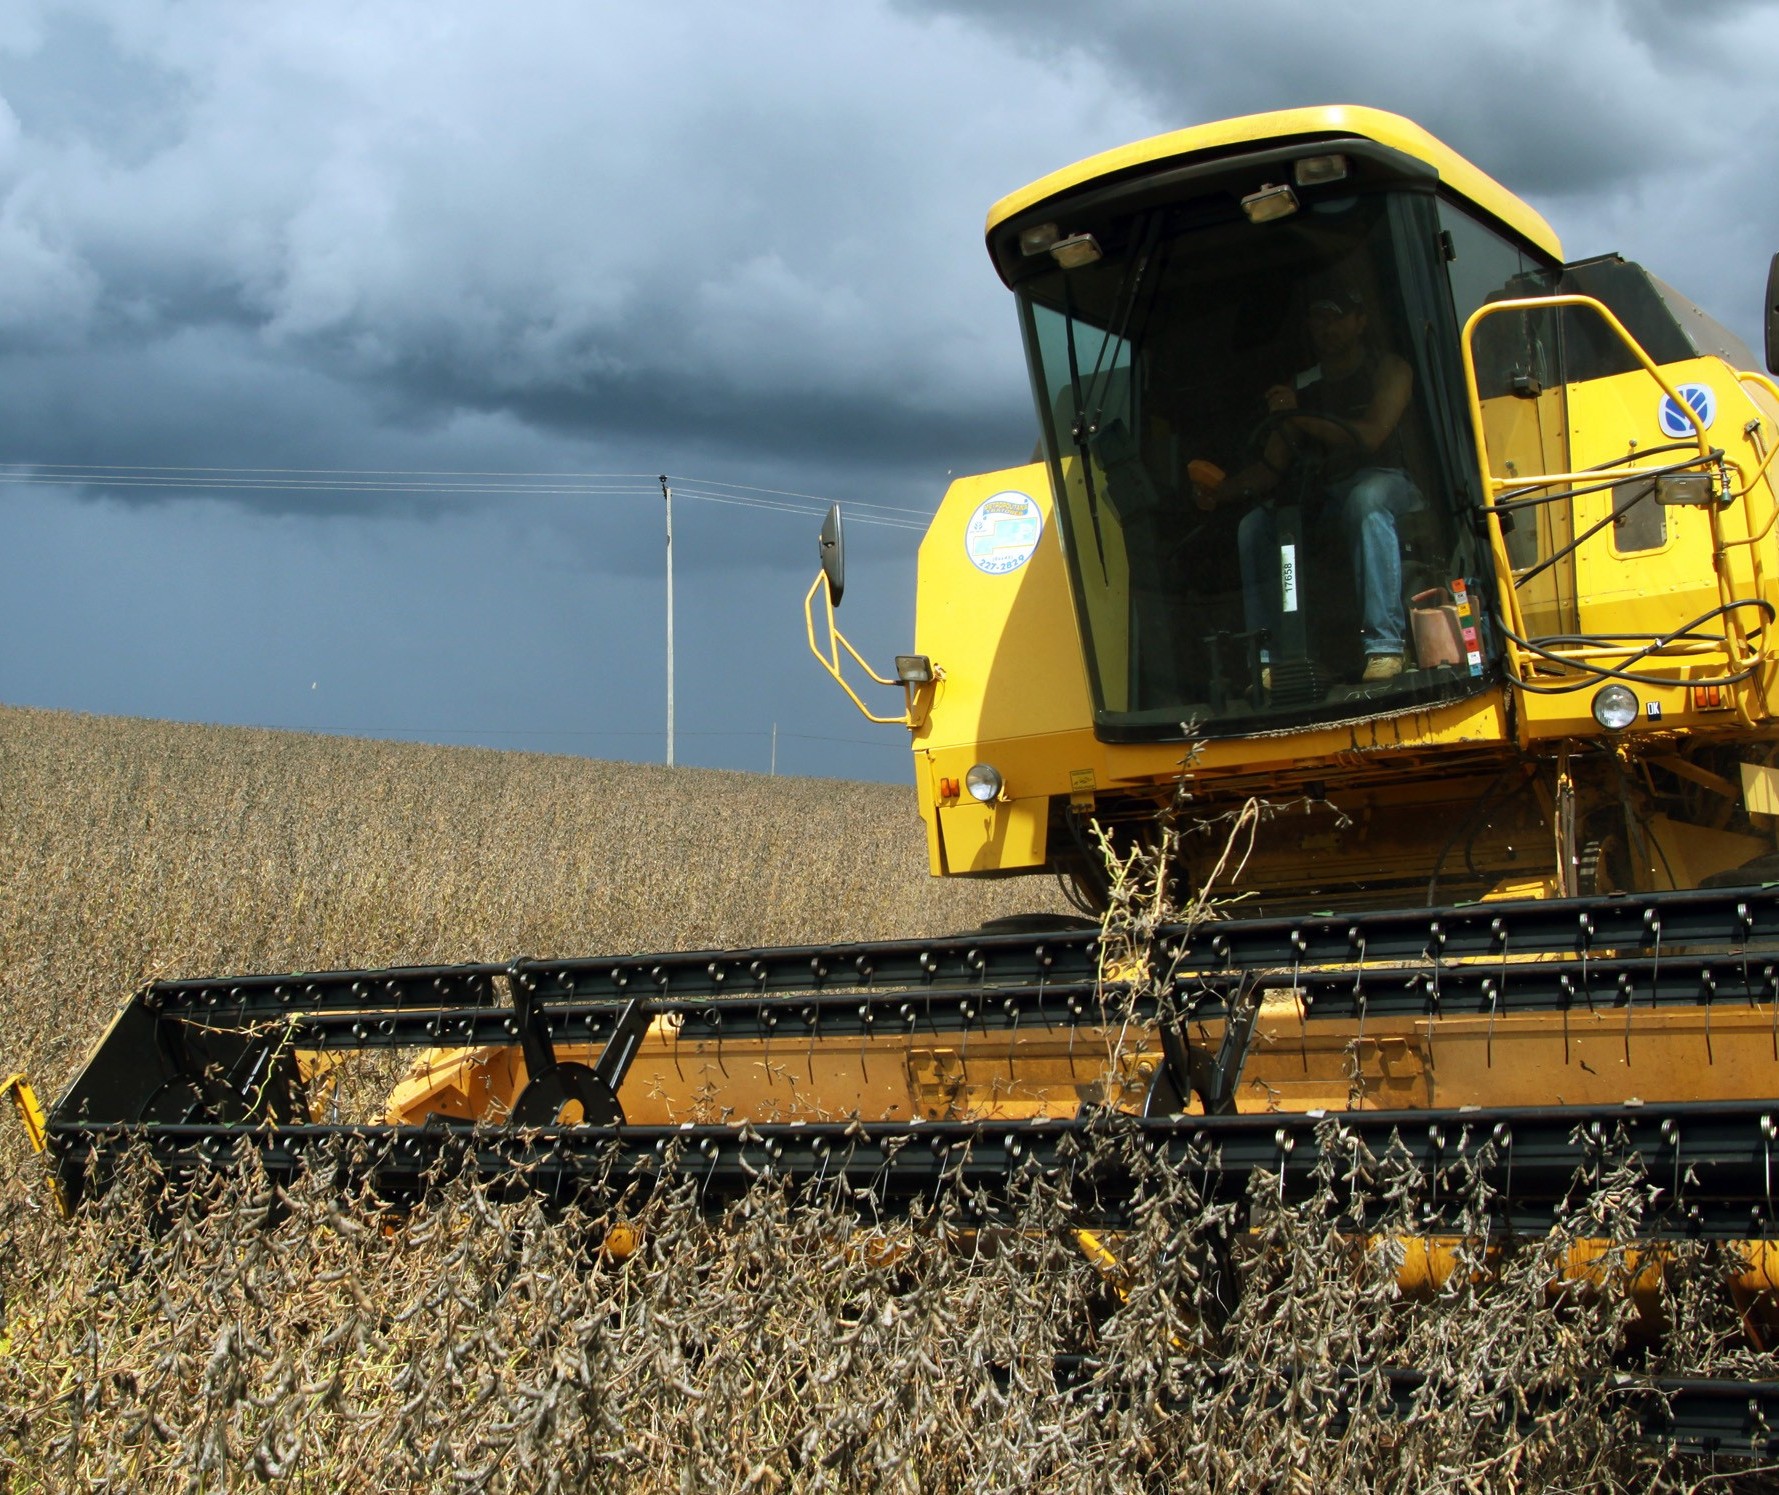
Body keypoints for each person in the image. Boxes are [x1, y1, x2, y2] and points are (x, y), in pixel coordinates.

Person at [1195, 285, 1419, 685]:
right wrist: (1219, 491)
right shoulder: (1303, 387)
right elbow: (1269, 469)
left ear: (1360, 321)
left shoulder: (1388, 370)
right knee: (1256, 526)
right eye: (1318, 318)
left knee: (1366, 500)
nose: (1326, 327)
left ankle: (1385, 646)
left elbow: (1371, 436)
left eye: (1336, 316)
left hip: (1389, 485)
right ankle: (1271, 660)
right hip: (1329, 495)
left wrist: (1299, 416)